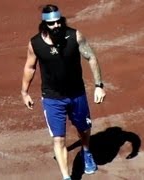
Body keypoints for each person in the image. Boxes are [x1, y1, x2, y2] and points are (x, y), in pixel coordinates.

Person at [21, 4, 106, 180]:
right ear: (44, 24)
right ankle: (66, 176)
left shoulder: (75, 36)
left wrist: (99, 85)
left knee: (84, 129)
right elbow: (30, 67)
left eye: (58, 22)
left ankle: (86, 151)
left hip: (77, 94)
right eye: (51, 23)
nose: (56, 26)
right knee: (58, 139)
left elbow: (91, 57)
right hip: (52, 98)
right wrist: (24, 92)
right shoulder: (35, 43)